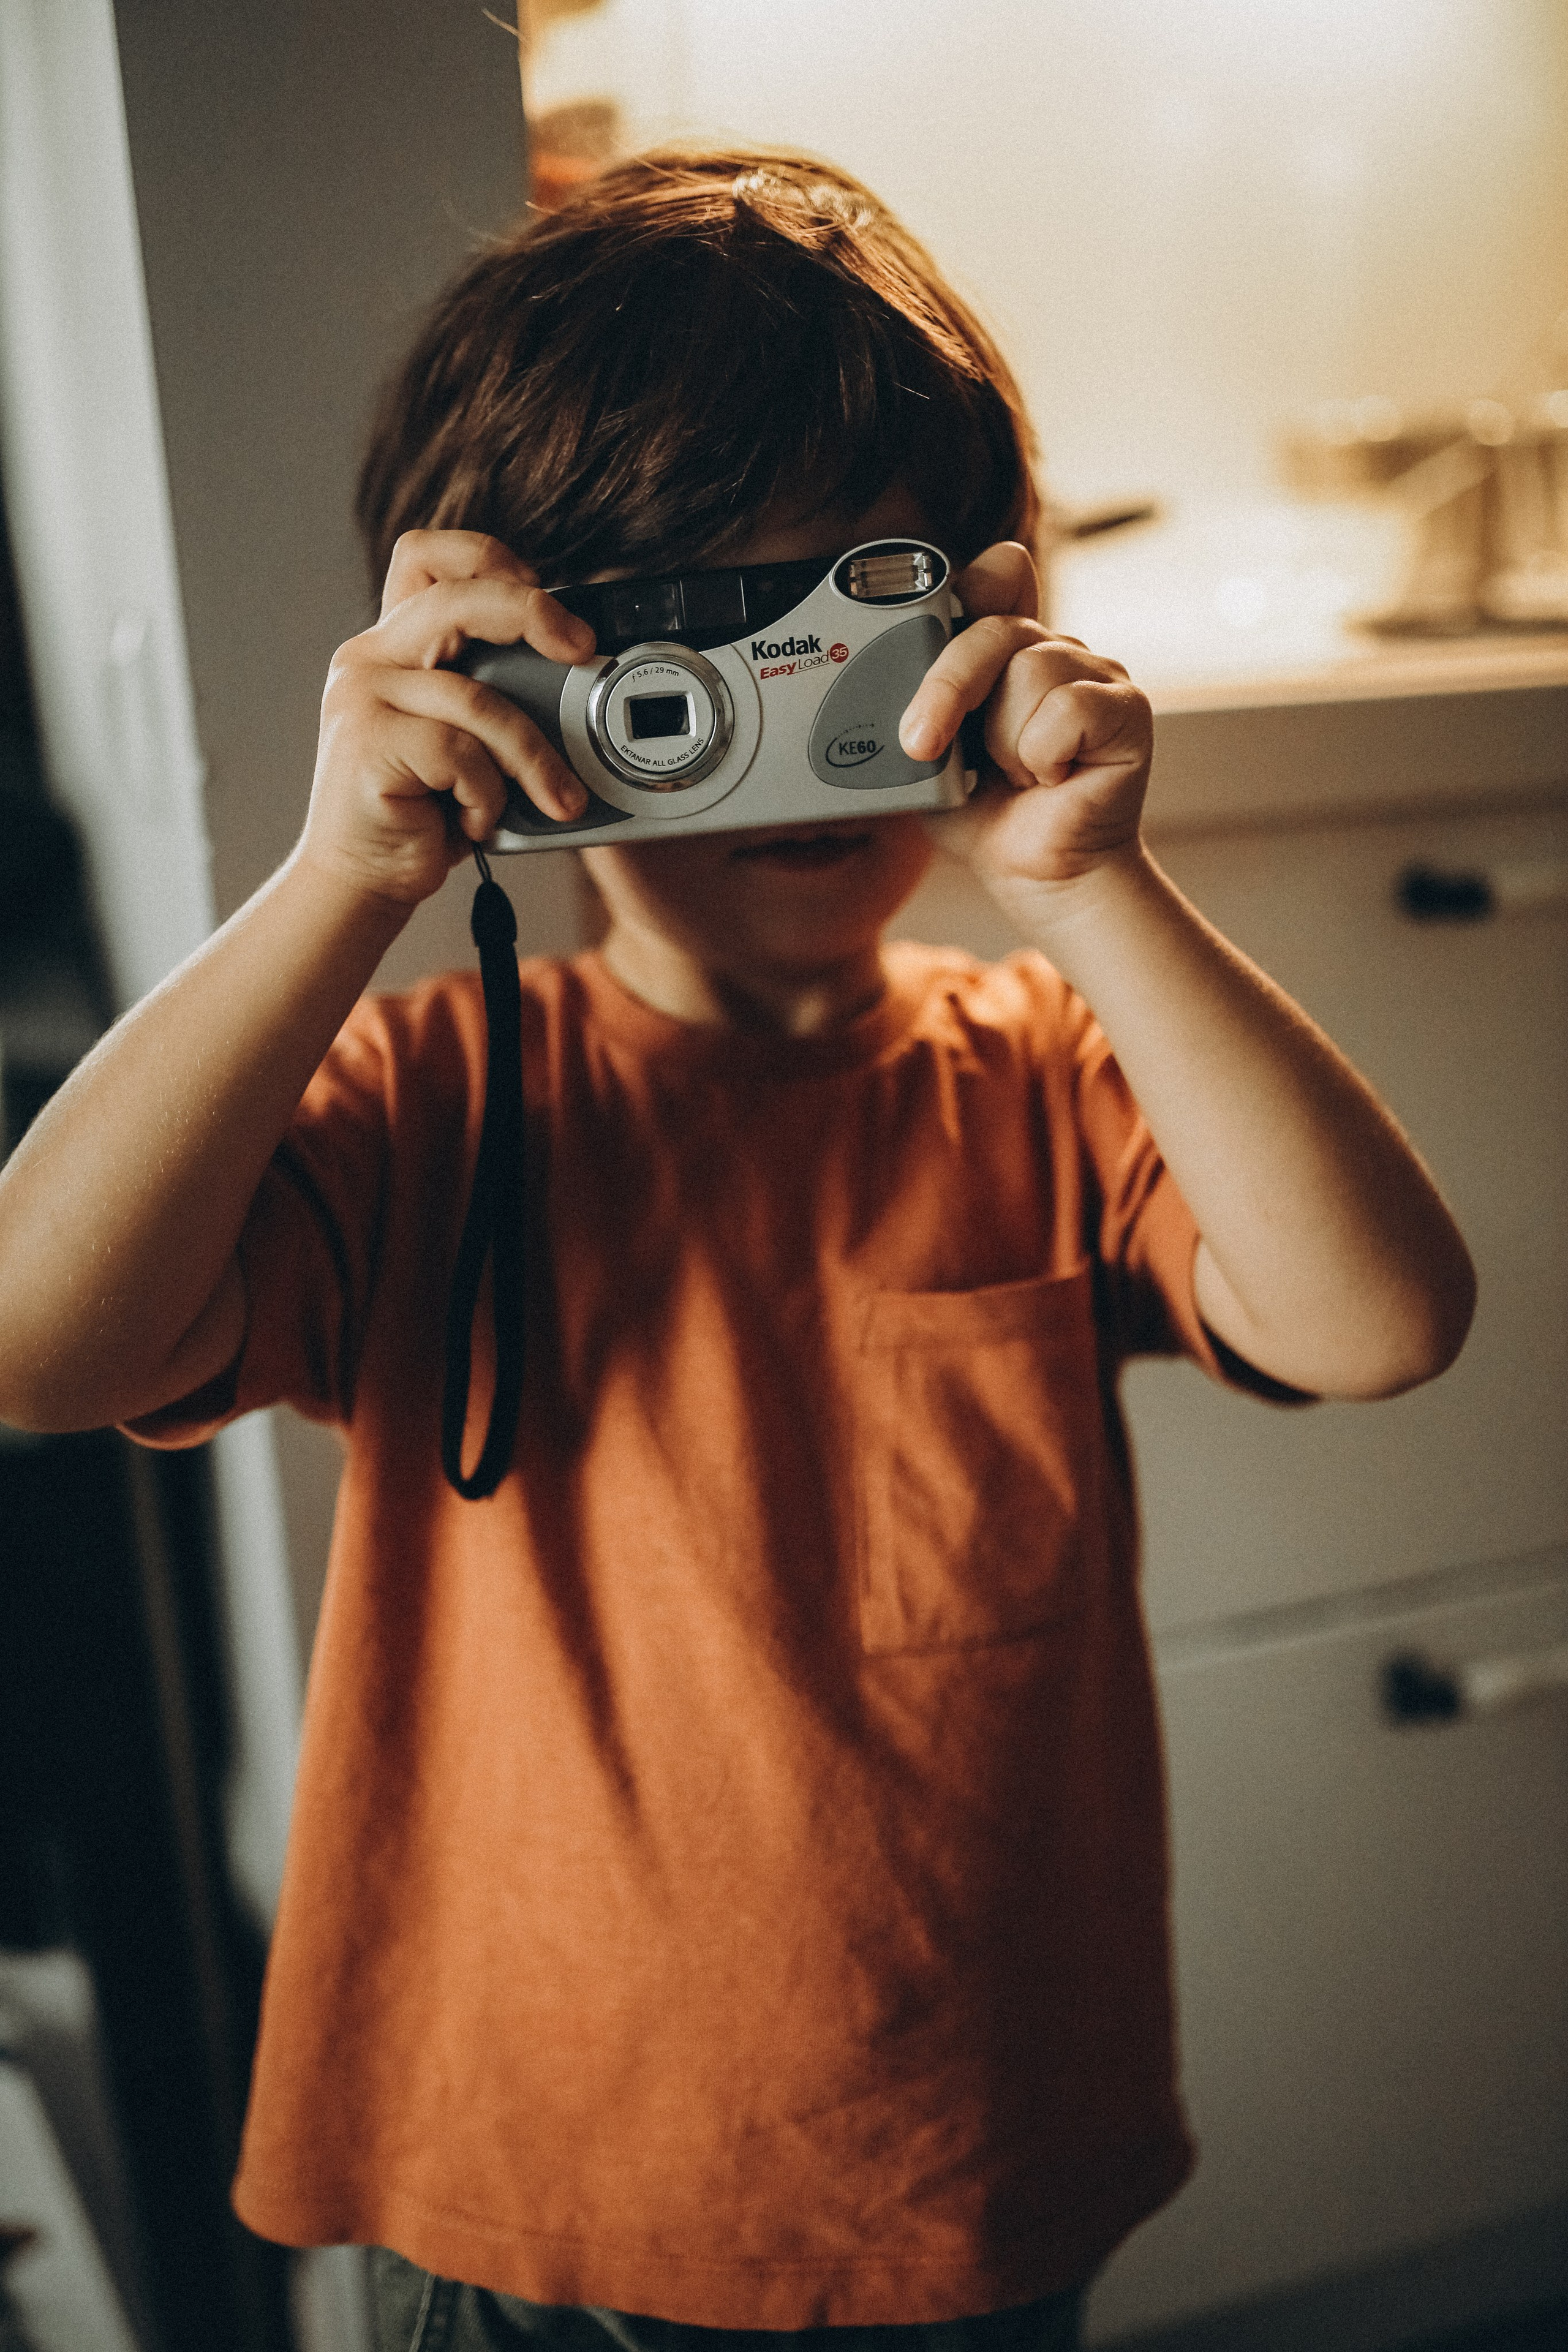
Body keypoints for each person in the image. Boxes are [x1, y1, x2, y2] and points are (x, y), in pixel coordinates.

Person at [0, 151, 1475, 2352]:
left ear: (985, 615)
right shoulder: (431, 1105)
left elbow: (1382, 1323)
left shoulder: (1047, 1069)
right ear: (511, 660)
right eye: (697, 637)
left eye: (849, 628)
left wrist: (1096, 889)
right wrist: (337, 886)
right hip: (520, 2180)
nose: (783, 737)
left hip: (958, 2171)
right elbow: (35, 1344)